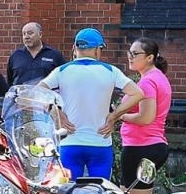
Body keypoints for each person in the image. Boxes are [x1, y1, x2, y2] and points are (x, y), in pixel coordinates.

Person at [40, 27, 145, 181]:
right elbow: (138, 94)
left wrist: (57, 113)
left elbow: (37, 93)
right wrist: (114, 116)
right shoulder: (110, 71)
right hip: (100, 143)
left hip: (70, 142)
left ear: (75, 48)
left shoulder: (61, 71)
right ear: (97, 49)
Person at [107, 38, 172, 194]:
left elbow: (146, 117)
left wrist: (119, 115)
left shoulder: (147, 82)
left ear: (150, 57)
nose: (130, 57)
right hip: (147, 146)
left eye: (135, 54)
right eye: (129, 53)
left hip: (141, 147)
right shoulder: (156, 77)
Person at [8, 22, 65, 87]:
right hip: (21, 96)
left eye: (30, 33)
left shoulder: (54, 55)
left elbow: (63, 78)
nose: (26, 37)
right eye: (24, 34)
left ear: (40, 34)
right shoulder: (15, 55)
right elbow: (10, 81)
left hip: (45, 96)